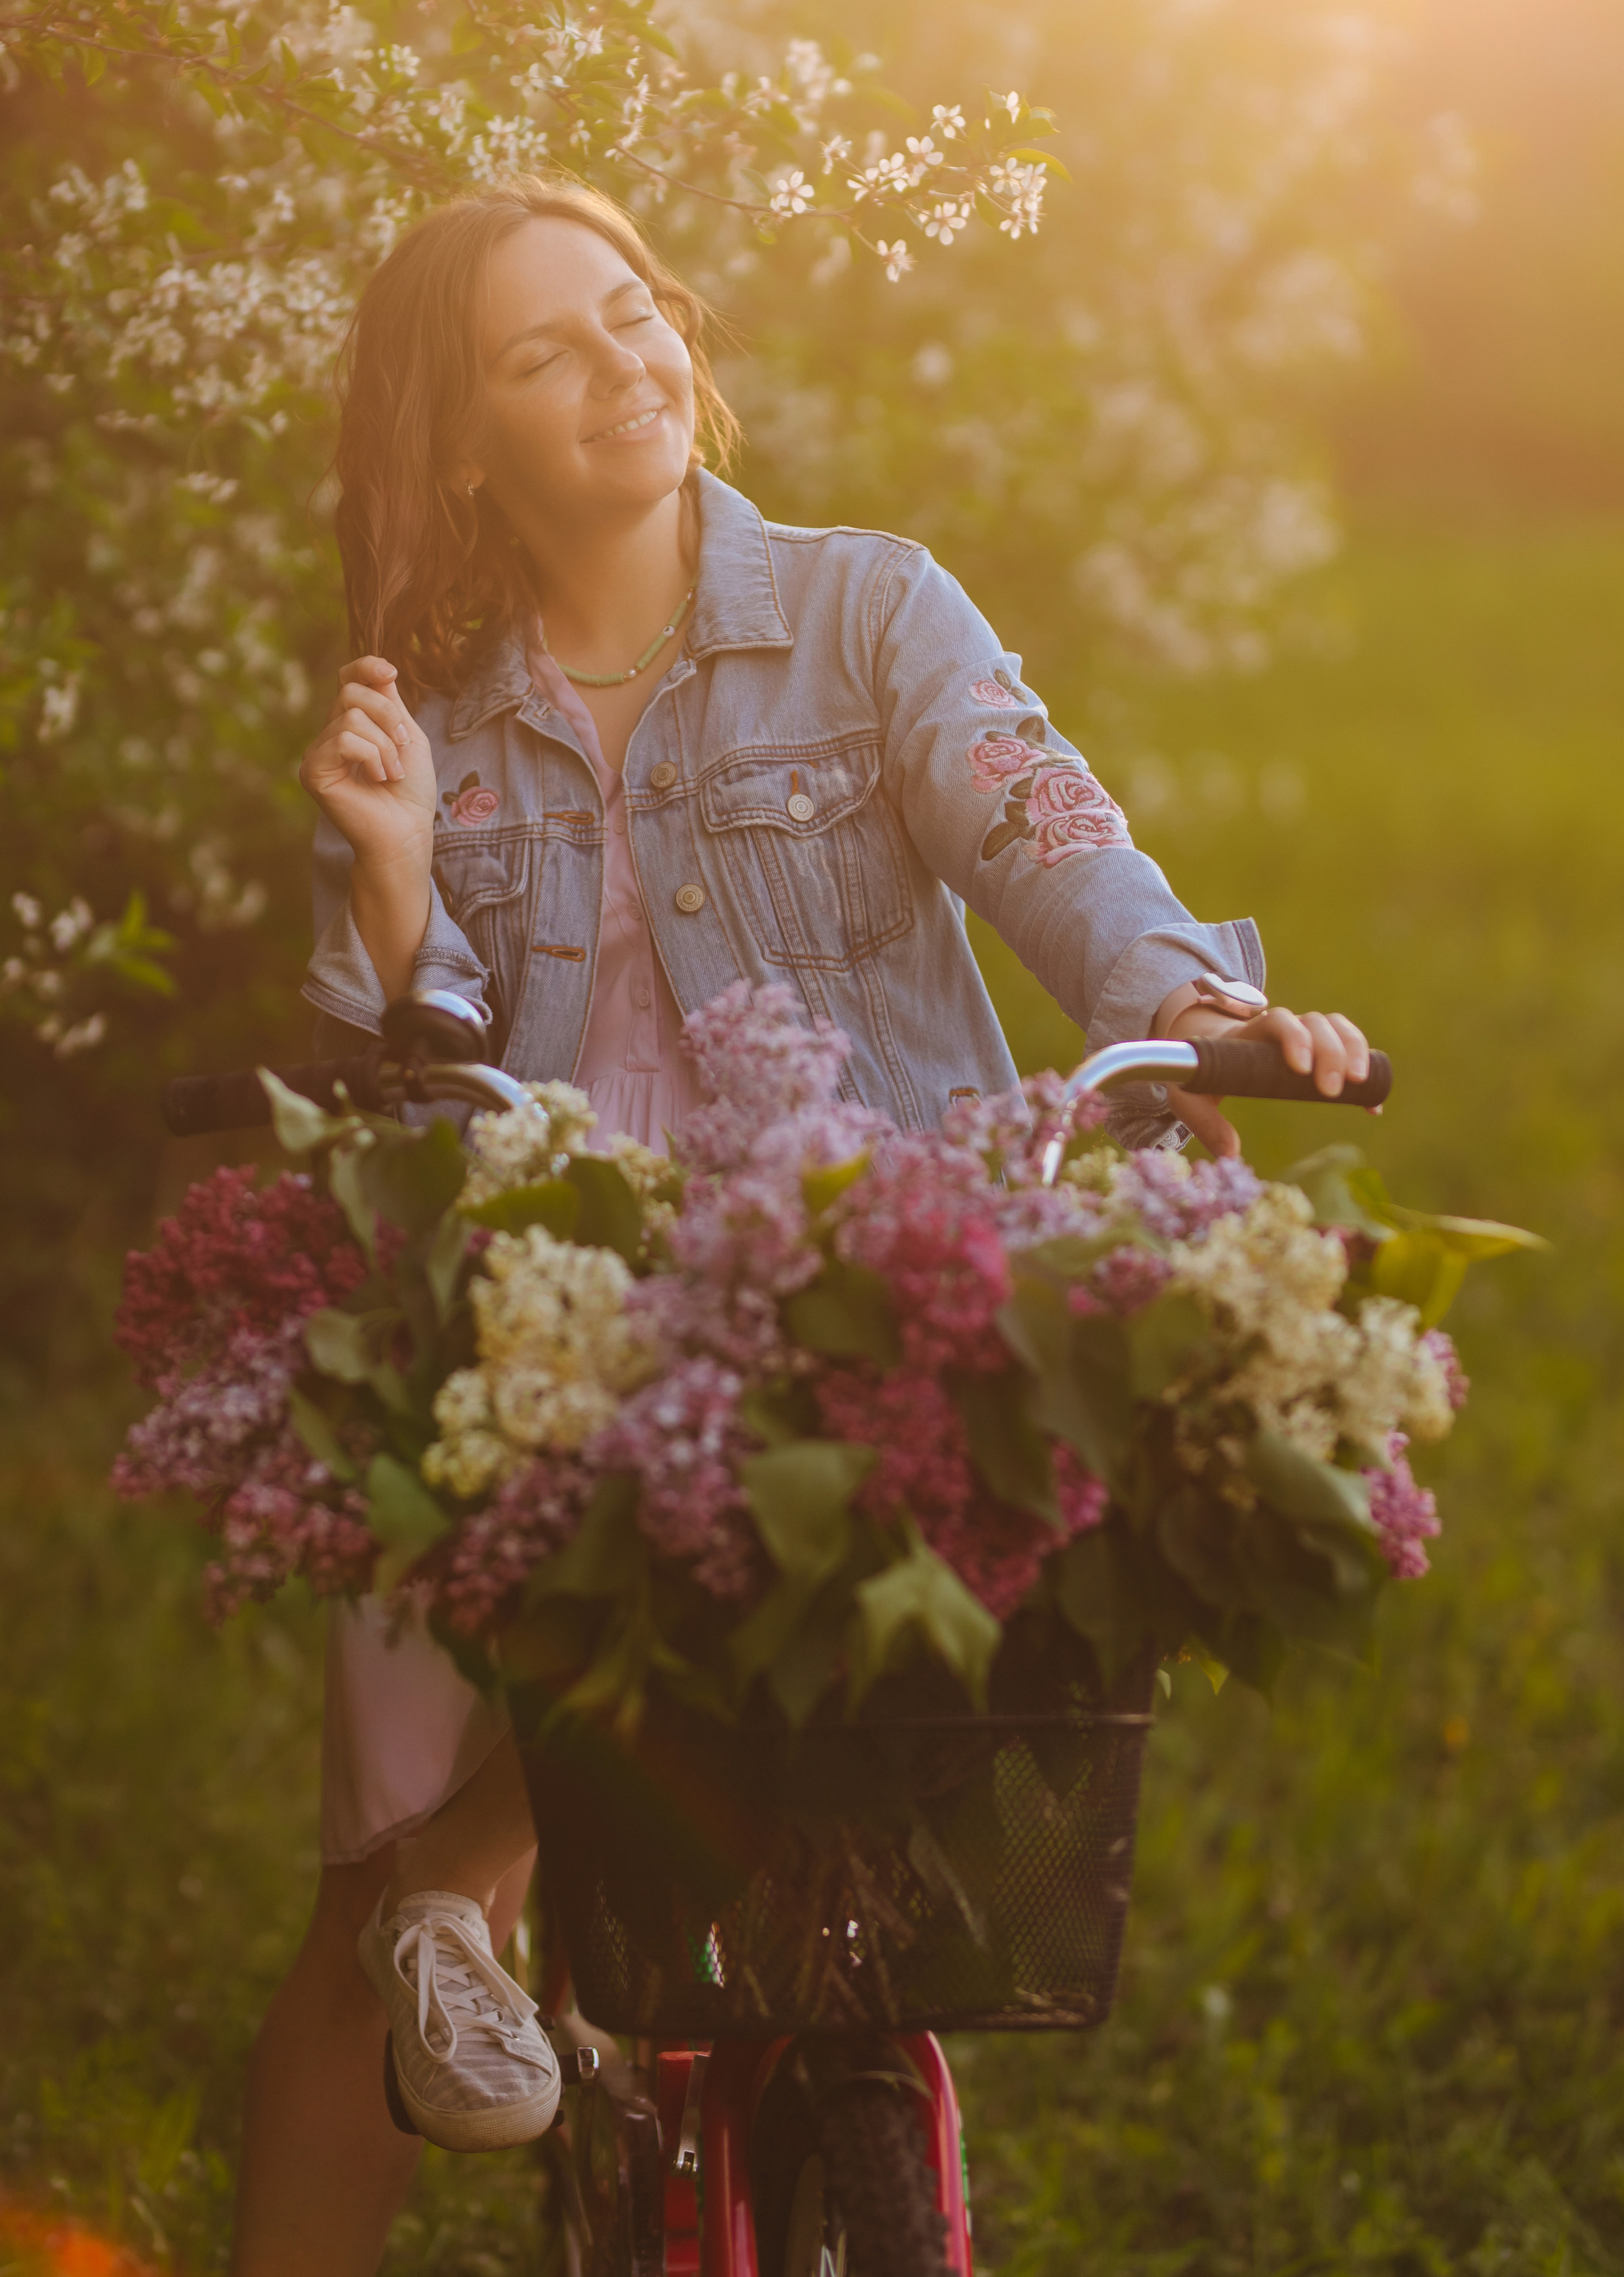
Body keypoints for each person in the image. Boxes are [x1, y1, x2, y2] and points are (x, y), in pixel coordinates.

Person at [233, 177, 1372, 2274]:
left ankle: (462, 1889)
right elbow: (390, 1100)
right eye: (541, 353)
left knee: (833, 1605)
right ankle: (430, 1905)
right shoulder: (429, 720)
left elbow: (1048, 828)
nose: (625, 366)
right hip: (547, 1302)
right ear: (457, 433)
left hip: (844, 1283)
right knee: (361, 1904)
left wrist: (1199, 1010)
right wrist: (393, 892)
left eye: (636, 311)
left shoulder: (868, 615)